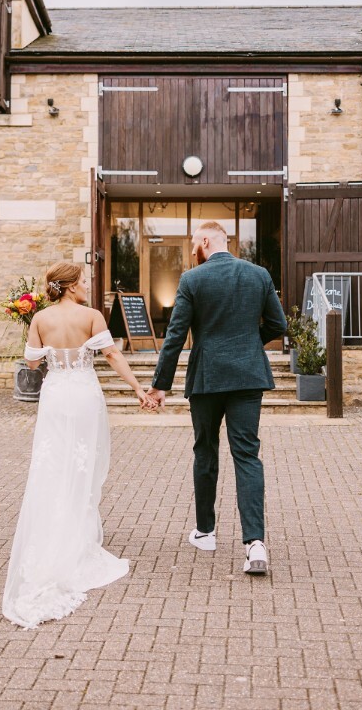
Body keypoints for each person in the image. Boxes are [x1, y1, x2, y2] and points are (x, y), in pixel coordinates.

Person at [2, 261, 156, 629]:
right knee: (84, 463)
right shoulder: (91, 315)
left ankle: (55, 526)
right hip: (84, 394)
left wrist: (52, 349)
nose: (87, 285)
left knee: (53, 464)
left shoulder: (39, 319)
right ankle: (78, 534)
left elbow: (31, 361)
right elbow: (113, 355)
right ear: (71, 286)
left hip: (55, 395)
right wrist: (139, 389)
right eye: (83, 281)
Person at [147, 221, 287, 575]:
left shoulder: (193, 279)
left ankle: (206, 532)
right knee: (247, 455)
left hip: (207, 378)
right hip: (247, 376)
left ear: (206, 241)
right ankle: (255, 543)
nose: (194, 248)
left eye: (195, 242)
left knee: (205, 450)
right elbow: (278, 325)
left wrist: (160, 384)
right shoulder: (258, 275)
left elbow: (176, 334)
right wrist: (249, 344)